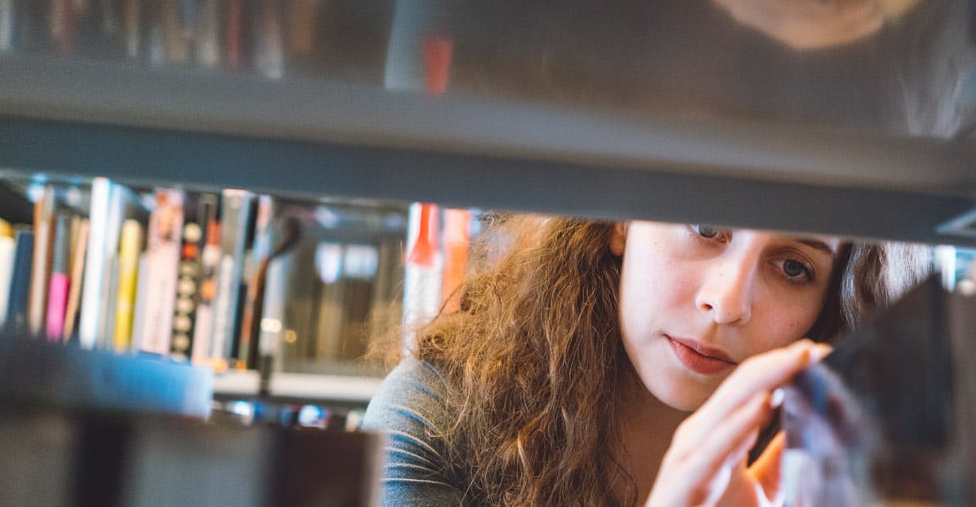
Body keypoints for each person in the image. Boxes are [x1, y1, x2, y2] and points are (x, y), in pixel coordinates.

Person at [365, 214, 923, 505]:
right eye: (706, 228)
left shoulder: (817, 466)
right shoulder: (438, 418)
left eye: (794, 267)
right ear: (622, 222)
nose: (727, 302)